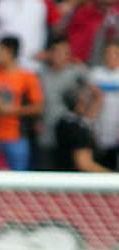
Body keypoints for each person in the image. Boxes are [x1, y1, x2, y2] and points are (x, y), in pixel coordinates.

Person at [0, 36, 43, 170]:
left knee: (17, 180)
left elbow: (38, 107)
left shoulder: (27, 77)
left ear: (10, 52)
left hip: (16, 137)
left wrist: (11, 111)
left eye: (0, 51)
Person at [38, 35, 89, 170]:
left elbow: (92, 92)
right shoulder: (41, 73)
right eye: (57, 51)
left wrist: (87, 117)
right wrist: (35, 120)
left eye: (65, 52)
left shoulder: (76, 73)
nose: (60, 56)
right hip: (46, 132)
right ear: (50, 53)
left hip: (69, 133)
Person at [56, 84, 114, 170]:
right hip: (79, 179)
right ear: (79, 104)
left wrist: (98, 97)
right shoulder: (76, 129)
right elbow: (83, 164)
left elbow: (91, 115)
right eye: (86, 100)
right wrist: (112, 177)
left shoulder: (65, 121)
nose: (89, 102)